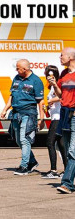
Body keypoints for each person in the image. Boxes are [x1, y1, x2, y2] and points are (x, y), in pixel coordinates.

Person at [0, 59, 44, 176]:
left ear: (25, 69)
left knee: (25, 139)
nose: (16, 70)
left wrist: (41, 118)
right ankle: (32, 162)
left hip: (28, 113)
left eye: (18, 68)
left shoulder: (36, 81)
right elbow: (11, 96)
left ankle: (24, 166)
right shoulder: (16, 78)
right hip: (16, 113)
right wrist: (5, 109)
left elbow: (41, 102)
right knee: (19, 140)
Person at [49, 48, 75, 193]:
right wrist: (54, 84)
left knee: (72, 150)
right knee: (65, 148)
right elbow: (60, 94)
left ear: (71, 57)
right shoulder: (64, 74)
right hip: (65, 114)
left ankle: (67, 183)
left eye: (62, 55)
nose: (60, 57)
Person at [41, 65, 66, 179]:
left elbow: (61, 97)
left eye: (48, 74)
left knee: (50, 142)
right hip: (56, 116)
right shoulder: (52, 86)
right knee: (61, 145)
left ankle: (54, 170)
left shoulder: (57, 85)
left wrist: (50, 100)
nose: (47, 77)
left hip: (57, 117)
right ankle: (66, 170)